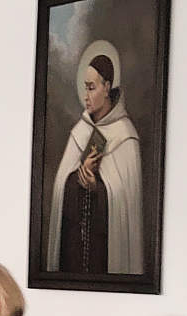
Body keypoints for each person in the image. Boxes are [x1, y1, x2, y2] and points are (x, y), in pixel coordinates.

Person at [45, 43, 144, 276]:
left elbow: (126, 203)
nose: (86, 96)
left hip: (105, 251)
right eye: (85, 88)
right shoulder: (80, 131)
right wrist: (77, 179)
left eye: (91, 88)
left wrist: (96, 188)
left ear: (107, 87)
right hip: (74, 251)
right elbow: (61, 188)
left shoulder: (125, 136)